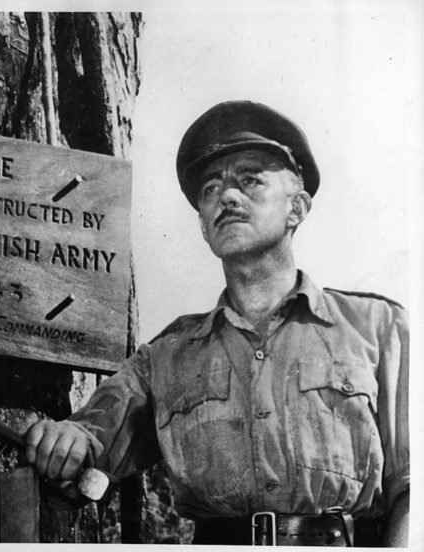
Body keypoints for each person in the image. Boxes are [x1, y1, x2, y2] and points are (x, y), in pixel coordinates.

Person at [24, 101, 409, 546]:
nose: (227, 196)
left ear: (297, 207)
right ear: (204, 228)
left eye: (250, 180)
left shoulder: (377, 327)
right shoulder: (166, 356)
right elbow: (91, 438)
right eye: (211, 189)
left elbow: (413, 487)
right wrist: (65, 441)